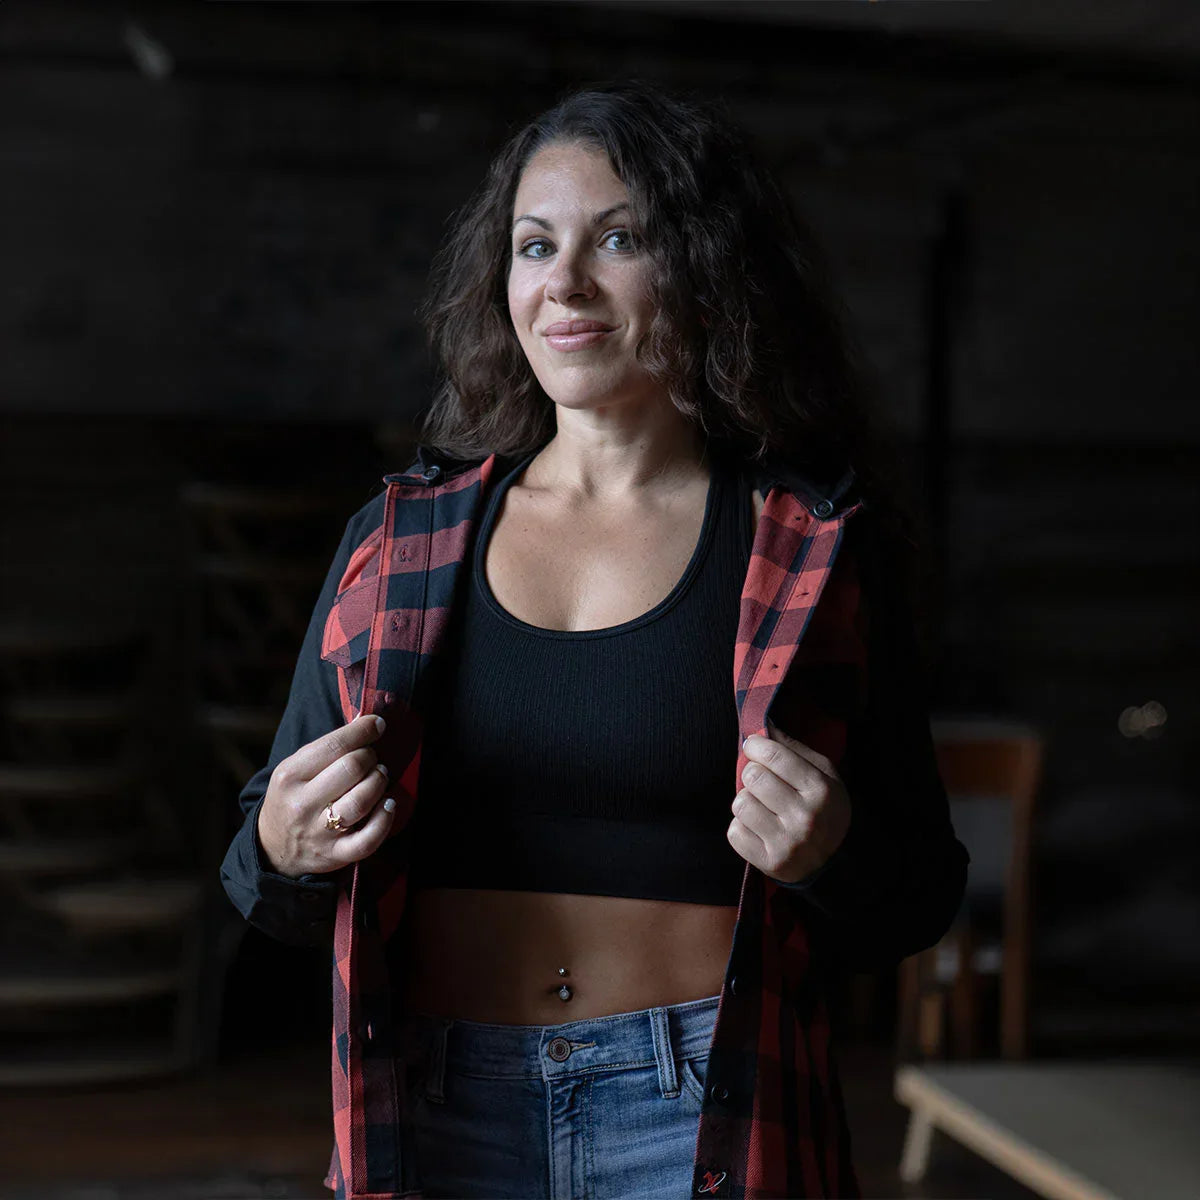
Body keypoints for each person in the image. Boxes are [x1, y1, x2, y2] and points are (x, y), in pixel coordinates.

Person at [220, 80, 968, 1200]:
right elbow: (262, 879)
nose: (563, 282)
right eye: (534, 245)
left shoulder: (809, 554)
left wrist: (834, 854)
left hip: (699, 1108)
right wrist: (282, 838)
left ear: (709, 273)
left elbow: (917, 892)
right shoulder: (401, 540)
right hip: (430, 1102)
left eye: (619, 238)